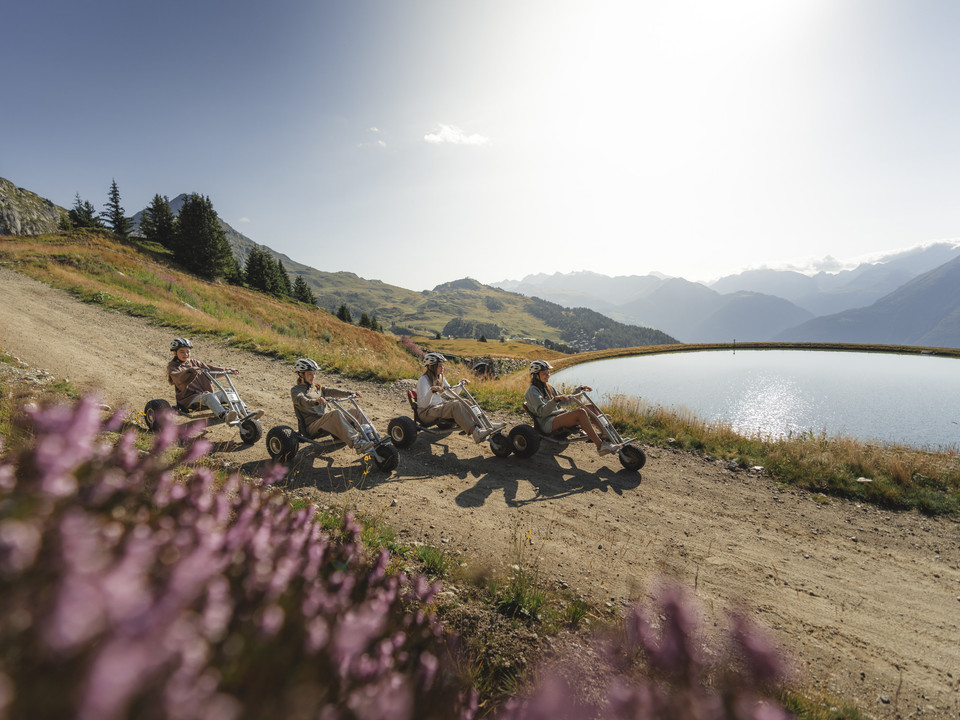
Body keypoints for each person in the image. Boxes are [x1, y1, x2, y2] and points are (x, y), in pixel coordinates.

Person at [525, 360, 616, 456]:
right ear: (535, 375)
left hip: (557, 417)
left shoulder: (548, 387)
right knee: (580, 412)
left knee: (590, 407)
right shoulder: (532, 391)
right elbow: (542, 412)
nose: (548, 375)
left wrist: (579, 390)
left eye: (548, 373)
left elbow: (567, 402)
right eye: (544, 373)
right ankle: (600, 446)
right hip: (546, 423)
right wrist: (555, 400)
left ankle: (606, 434)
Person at [290, 358, 375, 454]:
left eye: (314, 373)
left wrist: (350, 393)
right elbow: (302, 400)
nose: (313, 376)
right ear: (301, 374)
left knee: (356, 411)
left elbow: (332, 391)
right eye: (310, 374)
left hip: (329, 421)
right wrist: (315, 401)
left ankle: (372, 436)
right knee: (335, 413)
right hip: (313, 426)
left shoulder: (317, 387)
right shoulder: (296, 390)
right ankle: (357, 443)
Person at [166, 337, 250, 422]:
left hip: (204, 397)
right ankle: (224, 415)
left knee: (228, 391)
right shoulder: (173, 366)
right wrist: (190, 371)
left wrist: (227, 370)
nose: (185, 354)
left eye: (188, 352)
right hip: (189, 400)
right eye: (182, 352)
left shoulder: (194, 362)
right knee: (209, 396)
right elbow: (177, 377)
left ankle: (245, 411)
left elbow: (210, 369)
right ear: (175, 353)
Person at [417, 353, 493, 443]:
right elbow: (422, 405)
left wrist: (461, 384)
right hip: (426, 412)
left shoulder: (440, 377)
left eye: (442, 366)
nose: (443, 368)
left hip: (437, 407)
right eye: (440, 366)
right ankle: (476, 433)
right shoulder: (423, 380)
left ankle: (487, 425)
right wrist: (431, 392)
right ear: (430, 366)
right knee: (455, 405)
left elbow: (452, 393)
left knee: (465, 402)